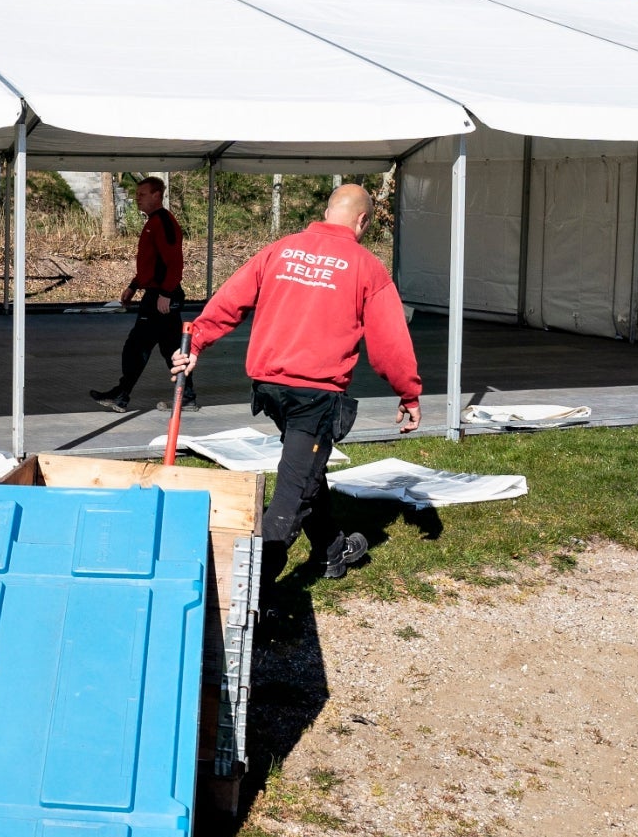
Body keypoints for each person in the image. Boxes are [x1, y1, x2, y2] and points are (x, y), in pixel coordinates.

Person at [171, 183, 421, 580]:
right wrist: (409, 393)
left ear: (326, 211)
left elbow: (231, 298)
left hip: (270, 387)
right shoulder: (366, 265)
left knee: (305, 469)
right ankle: (249, 584)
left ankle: (331, 551)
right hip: (315, 393)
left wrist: (197, 339)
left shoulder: (281, 249)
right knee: (291, 493)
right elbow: (390, 342)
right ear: (362, 220)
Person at [89, 176, 190, 412]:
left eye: (142, 194)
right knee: (171, 348)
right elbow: (151, 263)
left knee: (137, 346)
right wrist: (134, 285)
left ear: (157, 195)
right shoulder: (153, 222)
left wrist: (166, 292)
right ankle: (187, 395)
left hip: (161, 296)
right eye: (136, 195)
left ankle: (121, 395)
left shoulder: (163, 221)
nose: (137, 198)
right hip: (157, 292)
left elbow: (174, 262)